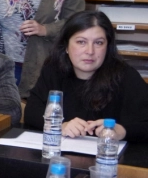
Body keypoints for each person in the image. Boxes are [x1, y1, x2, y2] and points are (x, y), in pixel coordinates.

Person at [24, 11, 148, 142]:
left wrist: (122, 131)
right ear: (66, 46)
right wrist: (60, 126)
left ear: (108, 47)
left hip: (109, 152)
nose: (90, 51)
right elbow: (31, 112)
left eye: (98, 43)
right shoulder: (53, 70)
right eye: (81, 42)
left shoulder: (126, 76)